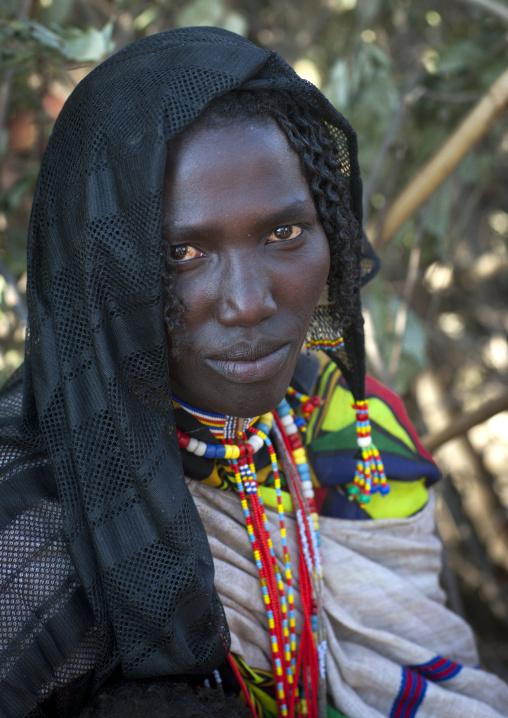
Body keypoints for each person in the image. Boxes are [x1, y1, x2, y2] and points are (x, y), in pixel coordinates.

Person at [0, 26, 507, 718]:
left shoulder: (356, 429)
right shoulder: (28, 511)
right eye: (182, 251)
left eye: (284, 234)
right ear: (103, 269)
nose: (249, 302)